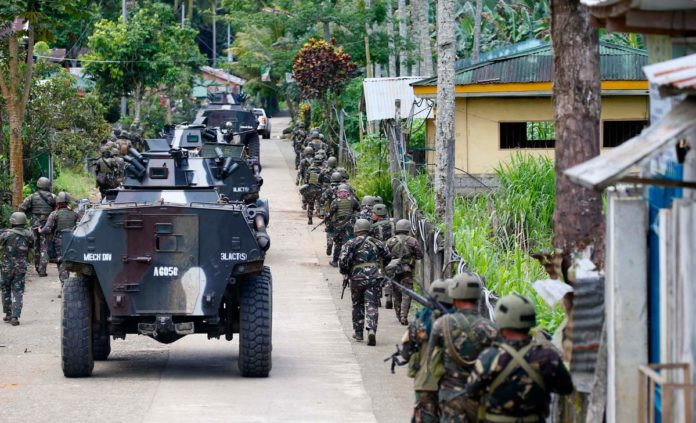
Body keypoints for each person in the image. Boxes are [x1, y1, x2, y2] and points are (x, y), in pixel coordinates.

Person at [465, 294, 574, 423]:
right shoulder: (547, 357)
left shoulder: (490, 356)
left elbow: (471, 391)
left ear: (502, 322)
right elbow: (566, 388)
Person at [428, 273, 499, 423]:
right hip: (481, 399)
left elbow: (431, 362)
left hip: (450, 397)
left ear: (454, 295)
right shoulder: (492, 328)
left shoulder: (441, 324)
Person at [401, 279, 453, 423]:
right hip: (452, 384)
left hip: (425, 383)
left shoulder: (421, 320)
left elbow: (405, 352)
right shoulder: (456, 322)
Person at [339, 219, 391, 346]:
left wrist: (346, 271)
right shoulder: (377, 242)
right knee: (372, 304)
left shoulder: (350, 243)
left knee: (357, 304)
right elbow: (388, 257)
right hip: (374, 277)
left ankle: (358, 333)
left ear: (356, 229)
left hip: (357, 278)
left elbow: (342, 261)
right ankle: (372, 330)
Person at [385, 219, 424, 325]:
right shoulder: (412, 241)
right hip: (407, 270)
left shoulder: (390, 241)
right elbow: (419, 255)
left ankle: (398, 315)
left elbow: (385, 256)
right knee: (407, 293)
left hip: (393, 270)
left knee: (396, 293)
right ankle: (404, 316)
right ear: (408, 229)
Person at [40, 192, 78, 292]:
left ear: (57, 202)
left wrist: (40, 230)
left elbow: (47, 229)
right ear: (68, 202)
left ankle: (65, 287)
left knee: (62, 263)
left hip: (59, 242)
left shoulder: (54, 214)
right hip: (73, 241)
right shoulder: (74, 214)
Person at [1, 212, 34, 326]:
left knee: (6, 289)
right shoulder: (29, 234)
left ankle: (8, 314)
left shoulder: (5, 234)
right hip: (21, 267)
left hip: (7, 267)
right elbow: (31, 247)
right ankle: (15, 316)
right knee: (18, 290)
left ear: (13, 221)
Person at [19, 176, 55, 277]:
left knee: (36, 246)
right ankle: (42, 270)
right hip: (47, 224)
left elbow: (21, 208)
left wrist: (30, 216)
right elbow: (57, 210)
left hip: (35, 224)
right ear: (48, 185)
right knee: (45, 247)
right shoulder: (52, 197)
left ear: (38, 185)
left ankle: (37, 268)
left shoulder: (31, 197)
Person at [326, 183, 360, 266]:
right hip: (350, 225)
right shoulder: (353, 200)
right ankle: (350, 261)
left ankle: (335, 261)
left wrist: (327, 221)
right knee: (351, 242)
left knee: (338, 244)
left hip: (339, 226)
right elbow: (358, 210)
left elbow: (330, 214)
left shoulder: (335, 201)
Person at [302, 156, 324, 225]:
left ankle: (310, 219)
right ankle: (321, 215)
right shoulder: (323, 170)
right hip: (319, 190)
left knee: (310, 205)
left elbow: (306, 180)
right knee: (321, 203)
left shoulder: (310, 169)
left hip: (311, 189)